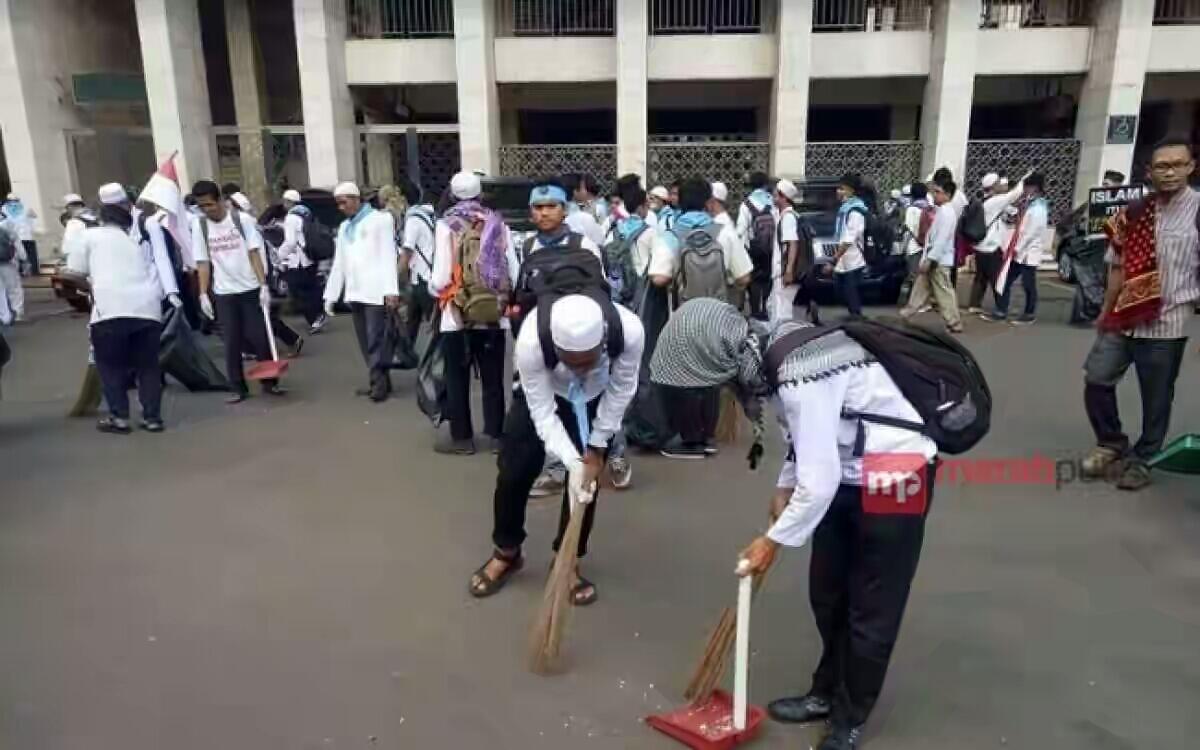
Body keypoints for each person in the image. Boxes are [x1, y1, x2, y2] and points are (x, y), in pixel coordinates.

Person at [468, 289, 644, 605]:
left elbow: (621, 389)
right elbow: (543, 414)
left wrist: (597, 445)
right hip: (545, 392)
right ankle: (507, 551)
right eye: (571, 363)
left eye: (586, 362)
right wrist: (570, 460)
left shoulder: (628, 332)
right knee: (513, 469)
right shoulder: (532, 340)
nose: (578, 370)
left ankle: (568, 560)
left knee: (585, 486)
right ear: (556, 348)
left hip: (595, 397)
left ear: (603, 342)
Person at [1081, 138, 1200, 491]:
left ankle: (1144, 457)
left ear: (1191, 167)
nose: (1170, 172)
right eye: (1161, 166)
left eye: (1178, 164)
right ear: (1148, 172)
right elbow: (1116, 266)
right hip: (1123, 316)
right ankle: (1111, 441)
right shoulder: (1132, 212)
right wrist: (1105, 312)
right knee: (1097, 379)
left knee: (1157, 395)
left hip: (1168, 319)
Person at [647, 177, 753, 459]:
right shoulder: (725, 233)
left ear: (677, 201)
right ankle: (708, 436)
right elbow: (744, 277)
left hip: (683, 316)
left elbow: (658, 278)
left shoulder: (670, 233)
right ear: (709, 202)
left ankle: (690, 440)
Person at [66, 183, 181, 433]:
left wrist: (89, 285)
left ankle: (119, 417)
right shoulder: (134, 242)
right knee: (148, 366)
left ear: (100, 217)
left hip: (110, 310)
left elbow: (73, 273)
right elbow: (158, 263)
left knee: (110, 365)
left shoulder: (88, 236)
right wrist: (171, 294)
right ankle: (152, 418)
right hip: (147, 310)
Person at [430, 171, 509, 452]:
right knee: (493, 379)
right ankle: (497, 436)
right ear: (480, 192)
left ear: (451, 194)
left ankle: (462, 439)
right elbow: (511, 265)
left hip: (456, 316)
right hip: (492, 315)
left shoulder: (446, 225)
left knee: (457, 378)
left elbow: (440, 278)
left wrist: (436, 291)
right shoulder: (497, 223)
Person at [191, 179, 285, 403]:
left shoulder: (241, 220)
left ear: (221, 200)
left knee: (259, 337)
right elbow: (203, 262)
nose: (206, 210)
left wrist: (263, 285)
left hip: (250, 288)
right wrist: (203, 293)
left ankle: (269, 382)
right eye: (201, 206)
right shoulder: (200, 226)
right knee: (232, 342)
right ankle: (237, 387)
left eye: (210, 205)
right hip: (224, 292)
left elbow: (254, 253)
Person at [322, 181, 400, 402]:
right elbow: (339, 263)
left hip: (376, 291)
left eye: (343, 202)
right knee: (365, 341)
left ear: (356, 199)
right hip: (355, 292)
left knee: (376, 339)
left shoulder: (380, 220)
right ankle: (381, 380)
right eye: (337, 204)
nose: (340, 208)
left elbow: (388, 256)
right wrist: (331, 294)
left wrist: (391, 290)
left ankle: (378, 385)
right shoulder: (346, 227)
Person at [984, 173, 1048, 326]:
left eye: (1027, 186)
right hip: (1019, 251)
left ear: (1035, 188)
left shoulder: (1039, 208)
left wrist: (1017, 248)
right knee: (1005, 280)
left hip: (1028, 253)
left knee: (1028, 285)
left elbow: (1032, 232)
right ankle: (1001, 310)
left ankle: (1029, 313)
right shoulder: (1029, 203)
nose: (1024, 189)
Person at [901, 178, 963, 333]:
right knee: (921, 286)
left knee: (943, 291)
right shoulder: (941, 210)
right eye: (933, 191)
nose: (934, 195)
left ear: (947, 194)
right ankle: (908, 312)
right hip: (933, 257)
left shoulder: (947, 213)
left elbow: (941, 240)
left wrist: (930, 259)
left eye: (937, 192)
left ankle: (954, 322)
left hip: (938, 260)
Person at [968, 173, 1023, 314]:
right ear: (993, 186)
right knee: (997, 279)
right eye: (999, 183)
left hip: (980, 246)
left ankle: (974, 304)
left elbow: (1011, 213)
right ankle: (1001, 308)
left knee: (981, 277)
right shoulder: (996, 201)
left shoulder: (983, 200)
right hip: (991, 247)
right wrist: (1025, 178)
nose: (1001, 185)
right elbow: (1015, 194)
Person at [279, 188, 328, 335]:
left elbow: (291, 242)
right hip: (311, 257)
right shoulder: (307, 214)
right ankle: (318, 315)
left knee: (298, 290)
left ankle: (315, 318)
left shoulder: (291, 218)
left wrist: (279, 255)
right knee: (311, 287)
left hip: (299, 260)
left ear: (288, 202)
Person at [825, 173, 868, 319]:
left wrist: (834, 259)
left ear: (851, 191)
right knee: (842, 291)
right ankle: (855, 317)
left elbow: (849, 239)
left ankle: (858, 320)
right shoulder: (845, 209)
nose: (838, 191)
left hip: (853, 259)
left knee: (851, 293)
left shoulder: (856, 211)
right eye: (839, 188)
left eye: (842, 189)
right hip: (845, 259)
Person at [399, 182, 437, 344]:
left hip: (423, 276)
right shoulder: (430, 215)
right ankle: (407, 353)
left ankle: (440, 359)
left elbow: (407, 250)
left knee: (432, 321)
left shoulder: (413, 220)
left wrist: (397, 276)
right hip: (425, 273)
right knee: (412, 319)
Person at [737, 172, 775, 321]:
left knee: (753, 281)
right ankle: (765, 307)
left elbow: (741, 229)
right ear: (766, 184)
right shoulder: (773, 201)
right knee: (767, 278)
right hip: (771, 248)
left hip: (753, 248)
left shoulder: (746, 204)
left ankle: (755, 311)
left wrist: (741, 249)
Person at [768, 178, 806, 324]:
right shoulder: (785, 215)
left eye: (775, 194)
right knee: (775, 308)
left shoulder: (788, 218)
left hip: (783, 273)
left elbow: (793, 244)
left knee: (782, 314)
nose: (773, 197)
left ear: (783, 197)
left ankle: (783, 341)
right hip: (781, 272)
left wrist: (789, 271)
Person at [900, 182, 932, 303]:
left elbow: (910, 228)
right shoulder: (930, 207)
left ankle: (912, 302)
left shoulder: (912, 209)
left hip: (914, 246)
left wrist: (918, 240)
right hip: (927, 246)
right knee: (923, 275)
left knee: (913, 275)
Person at [2, 193, 38, 276]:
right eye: (12, 201)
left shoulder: (26, 208)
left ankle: (26, 272)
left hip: (21, 237)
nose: (13, 203)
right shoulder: (4, 209)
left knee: (22, 255)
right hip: (19, 237)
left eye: (14, 201)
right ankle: (26, 272)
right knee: (21, 255)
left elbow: (33, 219)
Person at [0, 214, 26, 325]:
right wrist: (24, 258)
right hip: (8, 262)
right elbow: (17, 242)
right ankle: (17, 312)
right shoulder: (8, 224)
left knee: (1, 290)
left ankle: (4, 316)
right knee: (14, 288)